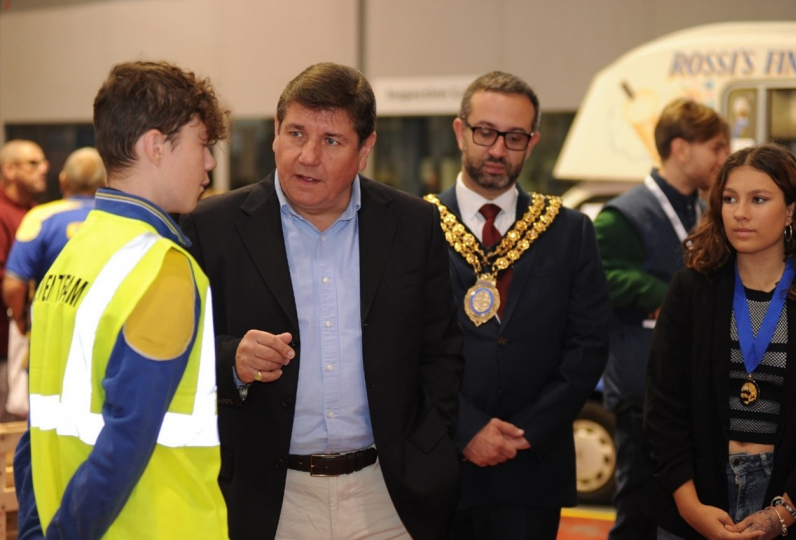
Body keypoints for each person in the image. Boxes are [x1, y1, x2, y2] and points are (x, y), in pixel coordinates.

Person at [179, 62, 464, 540]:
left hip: (389, 497)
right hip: (268, 499)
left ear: (365, 149)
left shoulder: (414, 224)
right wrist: (232, 359)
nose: (307, 156)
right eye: (295, 133)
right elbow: (179, 353)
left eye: (331, 140)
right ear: (275, 132)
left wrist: (428, 452)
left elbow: (441, 351)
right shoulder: (212, 227)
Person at [13, 60, 230, 540]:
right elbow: (125, 441)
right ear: (155, 145)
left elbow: (33, 440)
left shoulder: (73, 256)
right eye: (201, 144)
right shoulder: (162, 269)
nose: (210, 163)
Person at [427, 71, 610, 540]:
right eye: (485, 132)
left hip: (533, 467)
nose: (497, 150)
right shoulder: (416, 226)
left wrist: (527, 431)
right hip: (441, 463)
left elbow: (587, 346)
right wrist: (467, 429)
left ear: (532, 143)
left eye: (513, 137)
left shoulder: (569, 231)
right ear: (459, 131)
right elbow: (402, 345)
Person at [645, 143, 796, 540]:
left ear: (792, 210)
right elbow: (663, 408)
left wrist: (782, 514)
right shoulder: (691, 288)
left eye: (758, 199)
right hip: (696, 498)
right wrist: (689, 506)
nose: (740, 213)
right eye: (729, 199)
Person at [595, 98, 730, 540]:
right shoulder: (623, 215)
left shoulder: (707, 207)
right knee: (638, 513)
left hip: (694, 391)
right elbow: (604, 279)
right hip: (641, 397)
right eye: (716, 146)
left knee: (684, 515)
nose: (724, 158)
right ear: (680, 149)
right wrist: (672, 297)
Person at [2, 147, 106, 418]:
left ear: (62, 181)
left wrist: (23, 324)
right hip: (108, 343)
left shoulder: (40, 217)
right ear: (105, 182)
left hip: (52, 347)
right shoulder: (118, 218)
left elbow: (13, 285)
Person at [0, 140, 47, 422]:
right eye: (33, 164)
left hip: (31, 348)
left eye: (42, 162)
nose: (43, 169)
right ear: (9, 170)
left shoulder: (38, 213)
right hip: (6, 348)